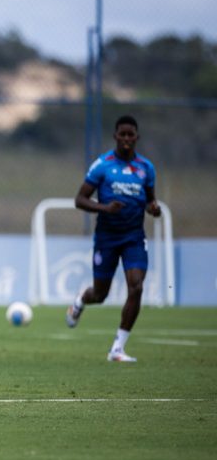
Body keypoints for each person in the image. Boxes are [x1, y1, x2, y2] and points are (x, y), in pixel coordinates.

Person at [66, 115, 161, 363]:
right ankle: (80, 301)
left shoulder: (146, 168)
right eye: (123, 134)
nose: (127, 139)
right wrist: (105, 208)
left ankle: (117, 348)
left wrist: (153, 208)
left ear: (137, 137)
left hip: (133, 237)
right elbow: (80, 199)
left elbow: (151, 199)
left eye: (131, 134)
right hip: (107, 237)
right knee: (100, 294)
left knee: (136, 286)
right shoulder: (102, 165)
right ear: (115, 136)